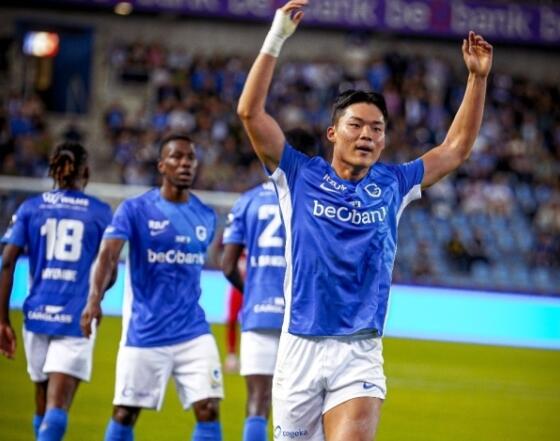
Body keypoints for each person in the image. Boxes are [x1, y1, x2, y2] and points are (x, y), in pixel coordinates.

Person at [236, 1, 493, 440]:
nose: (367, 135)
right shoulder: (297, 175)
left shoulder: (394, 183)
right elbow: (249, 113)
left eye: (377, 129)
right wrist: (276, 37)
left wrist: (477, 78)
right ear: (333, 133)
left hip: (360, 351)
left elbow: (455, 149)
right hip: (299, 347)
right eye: (356, 125)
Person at [80, 134, 224, 441]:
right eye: (176, 157)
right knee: (124, 413)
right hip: (145, 330)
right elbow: (107, 255)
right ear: (161, 165)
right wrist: (94, 299)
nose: (185, 163)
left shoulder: (206, 215)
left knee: (209, 409)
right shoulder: (135, 210)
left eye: (190, 158)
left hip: (193, 330)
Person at [0, 141, 112, 441]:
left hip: (36, 314)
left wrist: (2, 320)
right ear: (86, 172)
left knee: (42, 401)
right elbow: (110, 267)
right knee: (57, 406)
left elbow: (7, 262)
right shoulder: (100, 212)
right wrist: (96, 297)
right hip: (77, 316)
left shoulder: (31, 208)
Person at [221, 128, 319, 441]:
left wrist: (253, 292)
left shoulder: (247, 201)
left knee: (257, 401)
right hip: (303, 317)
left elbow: (227, 265)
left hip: (258, 312)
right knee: (301, 409)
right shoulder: (318, 202)